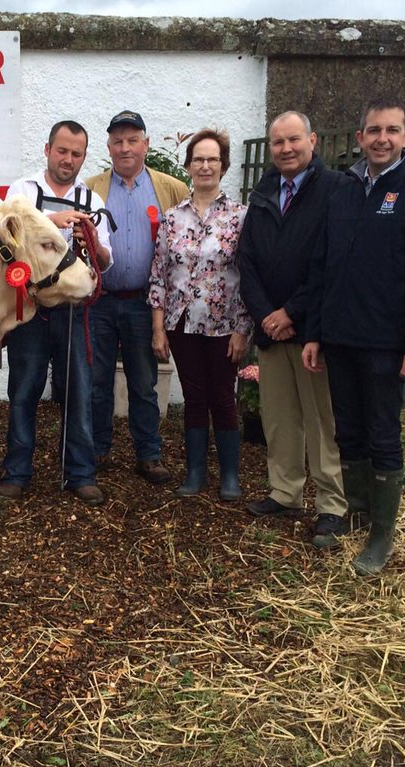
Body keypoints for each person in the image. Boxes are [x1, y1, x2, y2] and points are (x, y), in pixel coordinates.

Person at [302, 98, 405, 575]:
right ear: (360, 137)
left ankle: (382, 535)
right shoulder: (343, 192)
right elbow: (323, 267)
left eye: (391, 130)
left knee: (383, 434)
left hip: (388, 344)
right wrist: (316, 334)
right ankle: (359, 513)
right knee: (348, 430)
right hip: (341, 338)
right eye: (373, 130)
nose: (381, 138)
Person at [238, 111, 348, 546]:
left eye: (293, 140)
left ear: (313, 141)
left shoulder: (336, 190)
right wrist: (266, 314)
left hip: (312, 331)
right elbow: (247, 261)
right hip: (270, 330)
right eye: (278, 142)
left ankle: (331, 506)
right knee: (279, 418)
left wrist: (291, 313)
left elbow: (332, 262)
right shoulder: (264, 191)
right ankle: (284, 493)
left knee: (323, 422)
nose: (285, 148)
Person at [0, 120, 113, 505]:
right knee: (23, 390)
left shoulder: (92, 201)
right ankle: (17, 471)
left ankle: (79, 473)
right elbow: (5, 235)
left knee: (79, 392)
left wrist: (93, 244)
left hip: (73, 311)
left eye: (76, 154)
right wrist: (50, 222)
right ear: (47, 149)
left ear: (84, 157)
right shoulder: (21, 192)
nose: (68, 160)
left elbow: (105, 262)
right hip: (30, 310)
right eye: (62, 151)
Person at [148, 128, 252, 501]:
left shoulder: (241, 217)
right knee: (193, 396)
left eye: (212, 159)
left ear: (223, 166)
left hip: (224, 325)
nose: (205, 165)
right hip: (182, 324)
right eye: (198, 159)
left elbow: (247, 276)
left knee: (223, 396)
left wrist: (243, 329)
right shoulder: (172, 218)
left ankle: (229, 475)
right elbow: (159, 273)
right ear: (188, 166)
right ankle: (194, 472)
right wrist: (158, 327)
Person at [85, 111, 189, 484]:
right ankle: (97, 450)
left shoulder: (171, 189)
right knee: (96, 380)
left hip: (146, 303)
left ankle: (148, 453)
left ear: (145, 144)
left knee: (143, 381)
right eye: (117, 141)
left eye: (132, 140)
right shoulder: (92, 188)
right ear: (109, 147)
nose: (124, 147)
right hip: (99, 300)